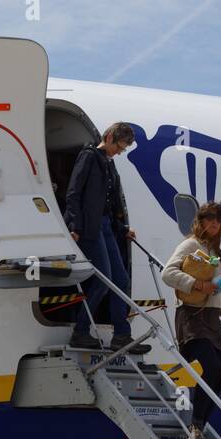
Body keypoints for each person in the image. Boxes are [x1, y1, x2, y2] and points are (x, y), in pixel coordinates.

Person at [160, 202, 221, 439]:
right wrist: (196, 285)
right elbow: (168, 273)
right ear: (200, 220)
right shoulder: (191, 245)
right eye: (209, 218)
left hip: (212, 319)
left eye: (218, 219)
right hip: (193, 316)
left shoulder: (214, 251)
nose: (214, 223)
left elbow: (219, 286)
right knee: (213, 370)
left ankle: (198, 429)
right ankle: (195, 430)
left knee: (220, 377)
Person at [63, 123, 148, 354]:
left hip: (107, 227)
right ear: (109, 137)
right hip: (90, 228)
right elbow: (74, 192)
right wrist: (74, 225)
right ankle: (81, 330)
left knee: (121, 280)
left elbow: (108, 204)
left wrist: (122, 228)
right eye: (119, 147)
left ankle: (122, 335)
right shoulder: (89, 157)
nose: (119, 152)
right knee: (104, 279)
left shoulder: (109, 164)